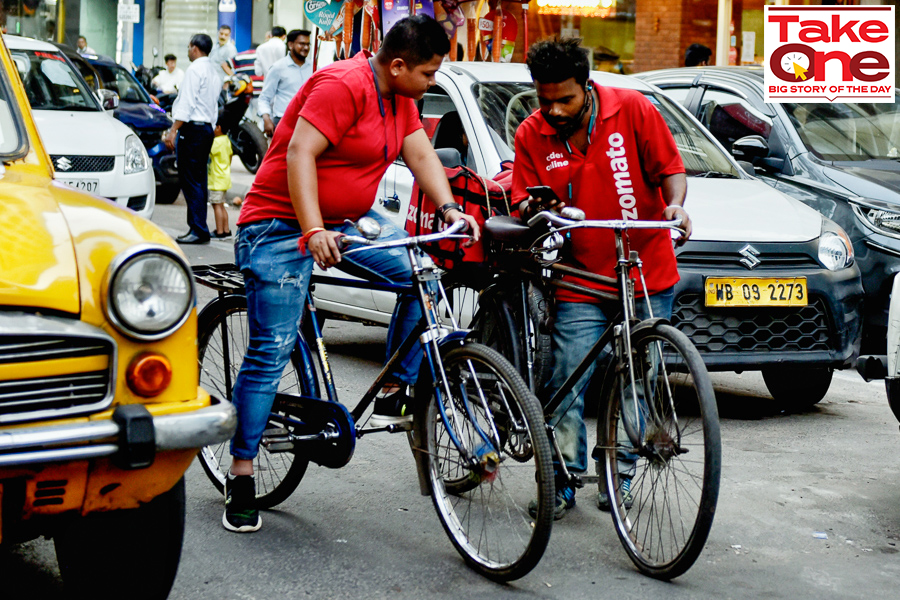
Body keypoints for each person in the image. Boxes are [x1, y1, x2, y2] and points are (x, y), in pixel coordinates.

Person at [222, 15, 479, 533]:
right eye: (429, 74)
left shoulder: (401, 98)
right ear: (399, 64)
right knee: (270, 350)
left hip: (345, 224)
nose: (433, 83)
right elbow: (300, 152)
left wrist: (450, 208)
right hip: (277, 224)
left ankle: (393, 392)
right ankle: (242, 472)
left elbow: (422, 153)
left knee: (422, 273)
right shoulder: (344, 85)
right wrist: (312, 230)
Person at [512, 38, 691, 519]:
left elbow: (671, 170)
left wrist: (675, 205)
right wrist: (538, 208)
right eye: (542, 99)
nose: (552, 110)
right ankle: (564, 478)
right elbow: (522, 198)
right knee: (566, 377)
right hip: (581, 276)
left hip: (647, 272)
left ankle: (620, 475)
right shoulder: (531, 132)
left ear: (587, 87)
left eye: (564, 100)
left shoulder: (631, 109)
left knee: (640, 377)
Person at [164, 34, 221, 244]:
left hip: (193, 130)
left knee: (191, 181)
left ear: (194, 48)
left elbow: (186, 103)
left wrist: (173, 130)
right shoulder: (213, 71)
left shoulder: (195, 69)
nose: (188, 51)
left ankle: (197, 229)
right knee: (199, 180)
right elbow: (214, 105)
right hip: (205, 129)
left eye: (189, 47)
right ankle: (199, 227)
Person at [258, 29, 313, 138]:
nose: (306, 48)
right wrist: (266, 119)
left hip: (308, 122)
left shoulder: (314, 68)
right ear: (290, 45)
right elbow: (264, 97)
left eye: (308, 44)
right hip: (284, 121)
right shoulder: (278, 68)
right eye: (302, 44)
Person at [209, 110, 234, 238]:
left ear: (218, 127)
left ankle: (219, 231)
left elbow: (208, 153)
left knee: (216, 206)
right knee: (222, 205)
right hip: (225, 178)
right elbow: (230, 157)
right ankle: (226, 229)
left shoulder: (216, 142)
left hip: (216, 179)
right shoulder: (226, 141)